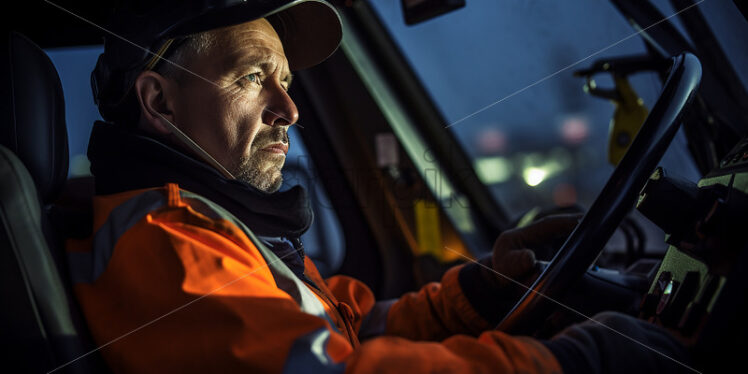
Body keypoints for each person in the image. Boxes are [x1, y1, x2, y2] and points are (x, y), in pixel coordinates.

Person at [67, 0, 689, 372]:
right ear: (161, 102)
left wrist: (477, 294)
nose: (290, 108)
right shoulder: (166, 241)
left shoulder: (216, 226)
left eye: (285, 80)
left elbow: (342, 327)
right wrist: (577, 362)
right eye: (254, 77)